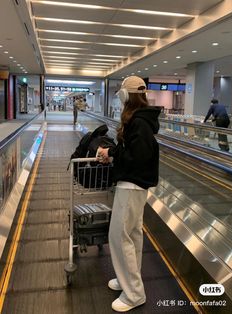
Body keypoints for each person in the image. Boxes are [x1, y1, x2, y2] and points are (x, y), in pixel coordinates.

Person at [97, 76, 161, 312]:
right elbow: (132, 151)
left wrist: (113, 154)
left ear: (127, 95)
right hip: (134, 185)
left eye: (121, 93)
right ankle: (129, 281)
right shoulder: (140, 120)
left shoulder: (139, 123)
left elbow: (138, 157)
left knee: (119, 236)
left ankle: (133, 293)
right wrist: (113, 152)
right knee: (132, 236)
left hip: (132, 185)